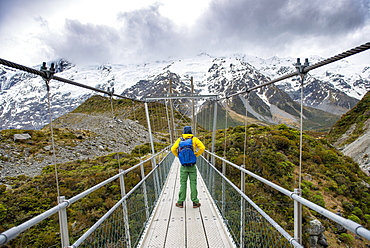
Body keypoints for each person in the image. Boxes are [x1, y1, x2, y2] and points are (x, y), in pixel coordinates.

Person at [171, 126, 205, 208]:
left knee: (183, 183)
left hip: (183, 166)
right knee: (193, 183)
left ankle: (180, 202)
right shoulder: (194, 139)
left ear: (184, 132)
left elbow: (173, 149)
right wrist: (196, 154)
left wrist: (179, 156)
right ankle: (195, 202)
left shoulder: (180, 140)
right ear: (191, 132)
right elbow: (202, 148)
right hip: (192, 165)